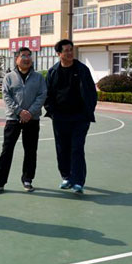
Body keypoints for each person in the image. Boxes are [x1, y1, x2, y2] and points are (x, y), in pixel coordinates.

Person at [0, 47, 47, 193]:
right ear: (17, 59)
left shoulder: (38, 78)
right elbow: (6, 96)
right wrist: (20, 111)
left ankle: (27, 179)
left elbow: (42, 96)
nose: (27, 58)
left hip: (32, 119)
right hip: (13, 119)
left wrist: (30, 112)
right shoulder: (9, 77)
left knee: (30, 150)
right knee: (7, 150)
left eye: (29, 55)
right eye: (23, 56)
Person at [44, 39, 97, 194]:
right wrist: (52, 111)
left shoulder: (82, 70)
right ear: (59, 54)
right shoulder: (53, 72)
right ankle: (66, 177)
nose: (69, 53)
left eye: (71, 50)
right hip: (60, 118)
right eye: (66, 50)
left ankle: (78, 181)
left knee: (77, 148)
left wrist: (88, 111)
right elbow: (47, 94)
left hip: (80, 118)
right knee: (62, 149)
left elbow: (91, 93)